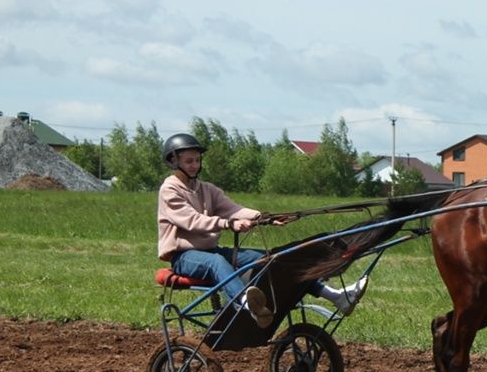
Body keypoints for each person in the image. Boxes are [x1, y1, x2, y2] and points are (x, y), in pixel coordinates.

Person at [156, 133, 365, 328]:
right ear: (174, 162)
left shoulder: (206, 188)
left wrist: (266, 218)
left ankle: (335, 296)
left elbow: (234, 209)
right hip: (184, 256)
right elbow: (192, 220)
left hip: (211, 251)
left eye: (197, 160)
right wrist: (227, 224)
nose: (194, 165)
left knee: (271, 259)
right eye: (188, 161)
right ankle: (248, 304)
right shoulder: (170, 190)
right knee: (216, 262)